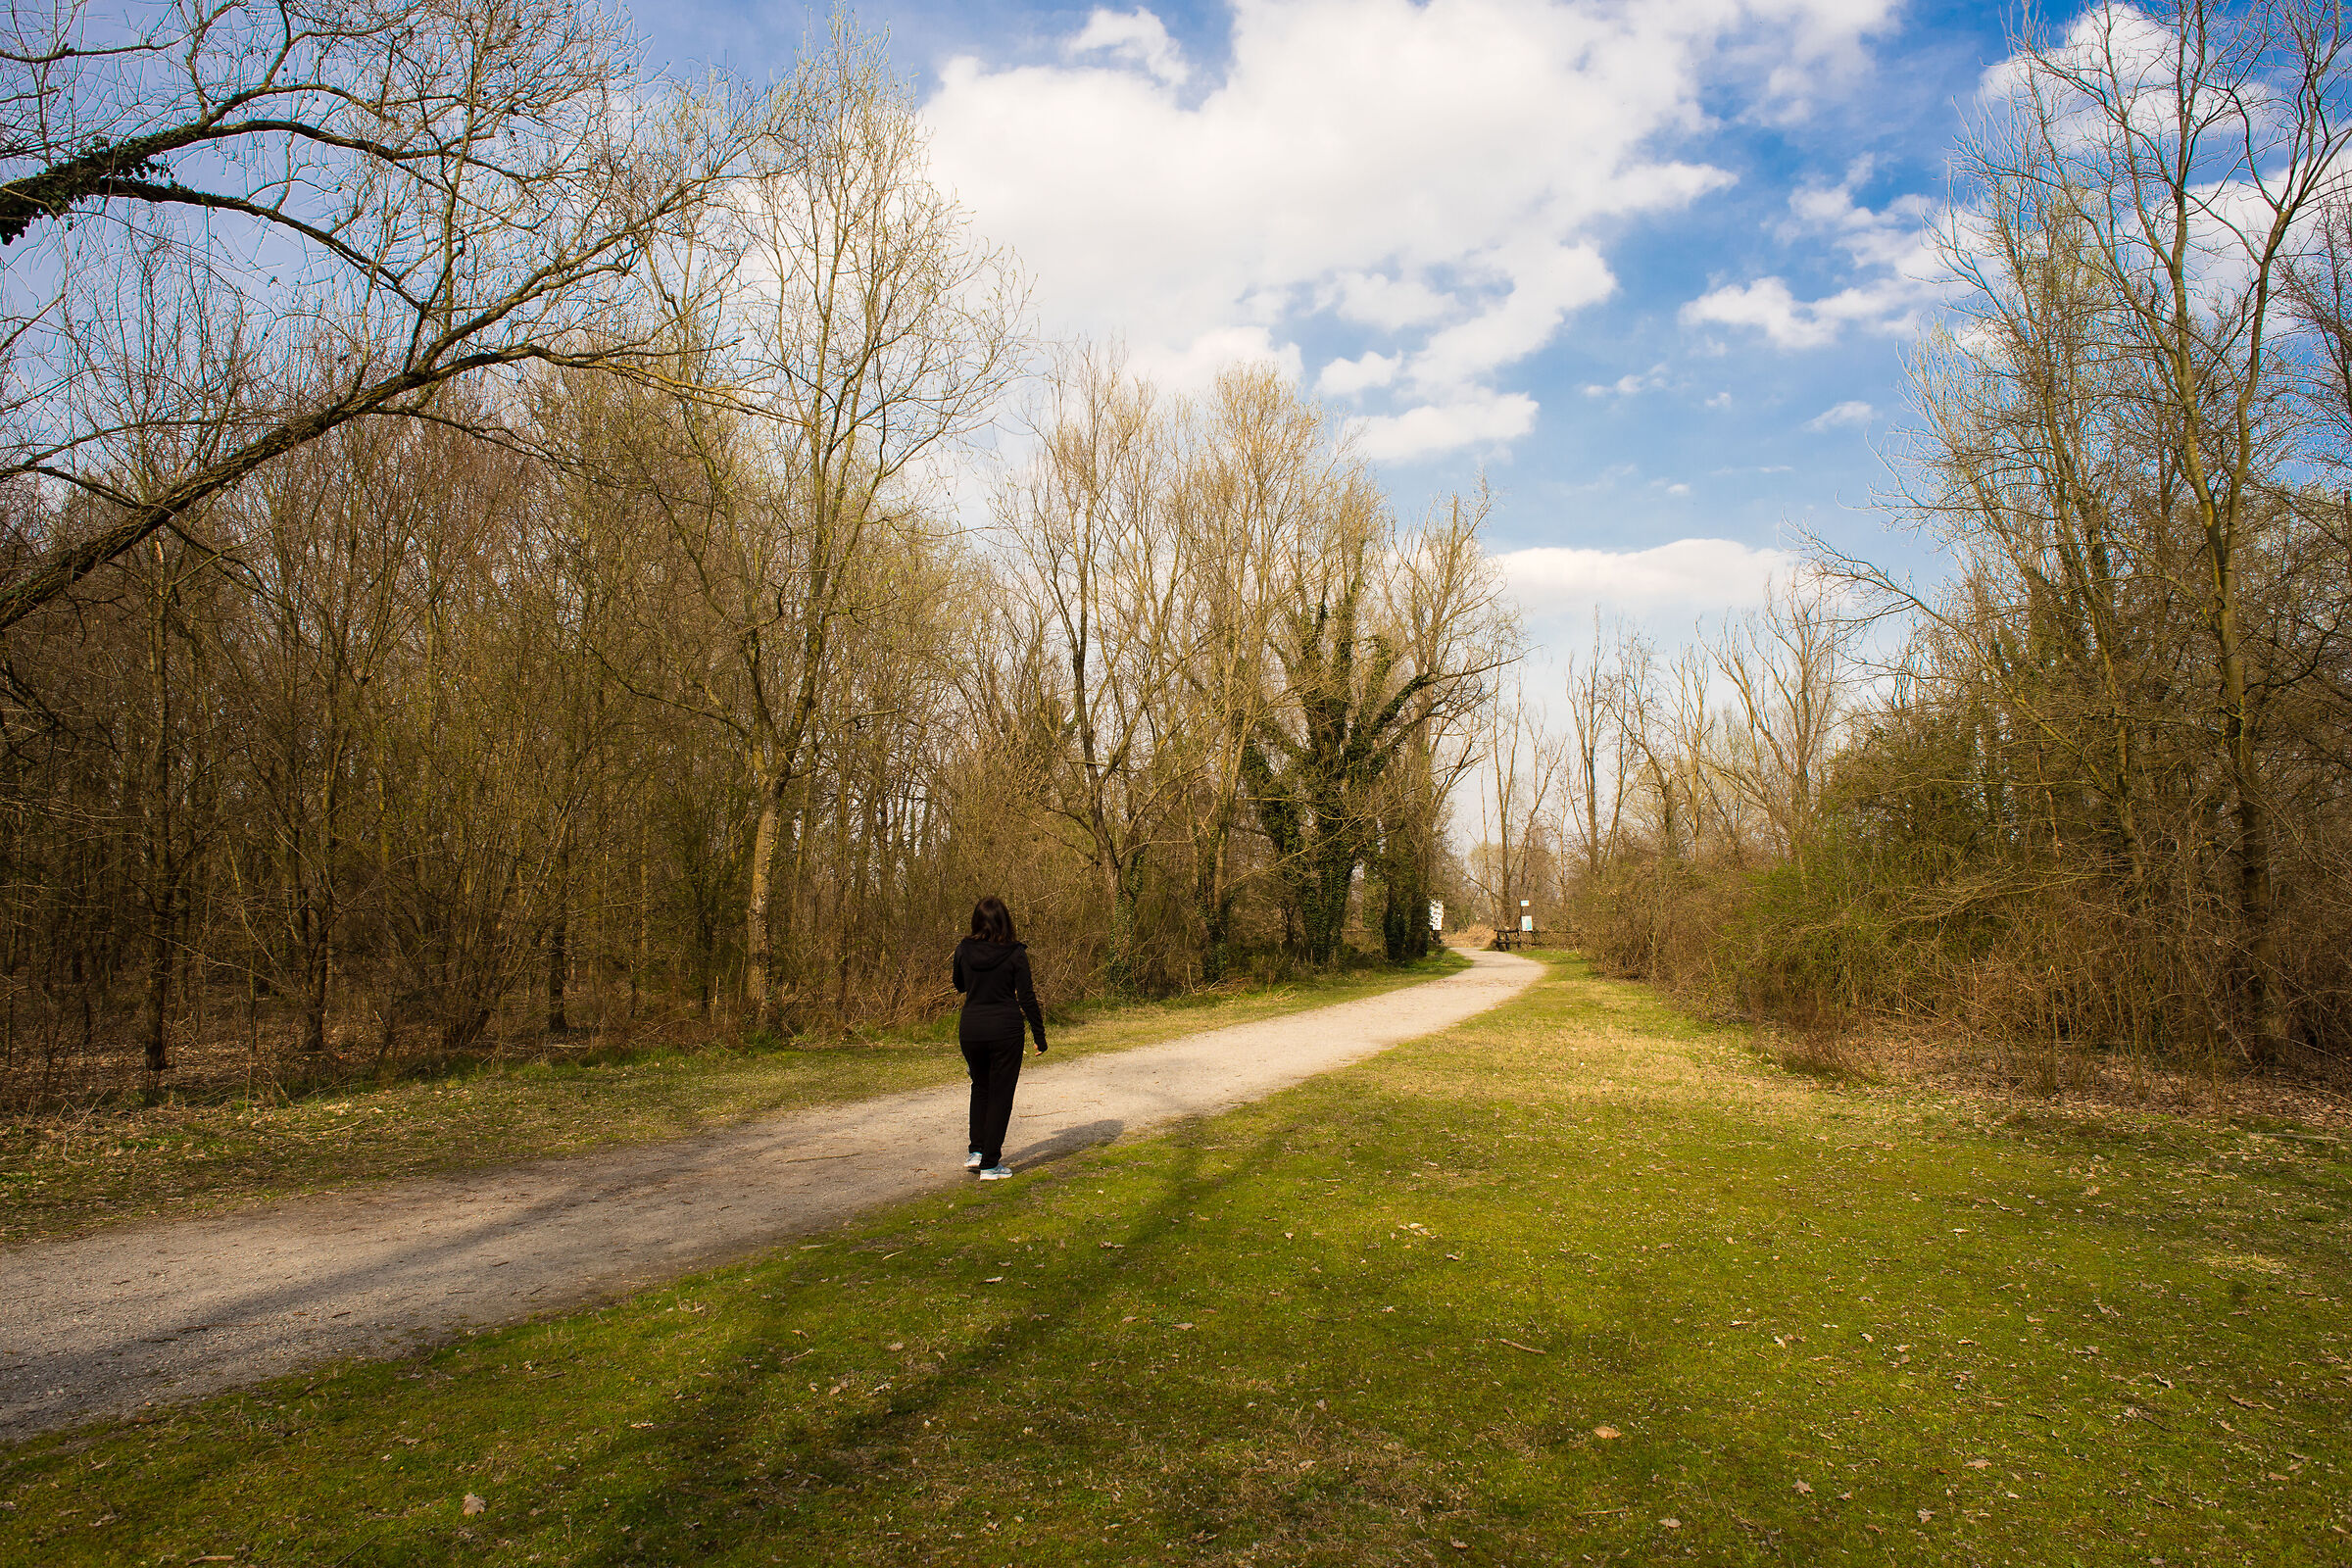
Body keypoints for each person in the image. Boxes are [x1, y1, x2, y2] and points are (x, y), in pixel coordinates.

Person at [953, 895, 1047, 1179]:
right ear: (1005, 922)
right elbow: (1027, 997)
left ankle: (977, 1152)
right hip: (1005, 1029)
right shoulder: (1015, 953)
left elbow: (959, 985)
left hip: (972, 1029)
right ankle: (991, 1164)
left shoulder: (963, 949)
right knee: (1000, 1094)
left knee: (981, 1087)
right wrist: (1039, 1035)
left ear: (976, 921)